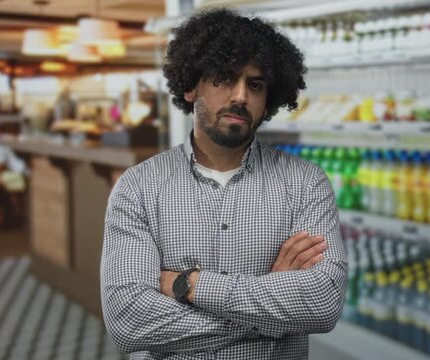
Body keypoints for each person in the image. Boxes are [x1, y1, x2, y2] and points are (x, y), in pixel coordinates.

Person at [101, 9, 347, 359]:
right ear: (190, 87)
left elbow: (323, 303)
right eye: (225, 78)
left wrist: (189, 285)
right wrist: (270, 315)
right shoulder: (139, 187)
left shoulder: (306, 183)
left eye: (256, 84)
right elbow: (128, 322)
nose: (241, 97)